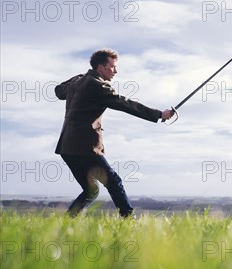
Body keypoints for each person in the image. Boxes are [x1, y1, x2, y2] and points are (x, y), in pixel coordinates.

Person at [55, 48, 174, 218]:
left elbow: (59, 91)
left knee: (91, 190)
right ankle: (128, 221)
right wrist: (159, 114)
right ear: (101, 68)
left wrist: (78, 78)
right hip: (84, 146)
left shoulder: (78, 82)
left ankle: (67, 222)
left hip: (66, 147)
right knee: (114, 182)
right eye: (112, 67)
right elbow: (124, 103)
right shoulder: (98, 86)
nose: (115, 71)